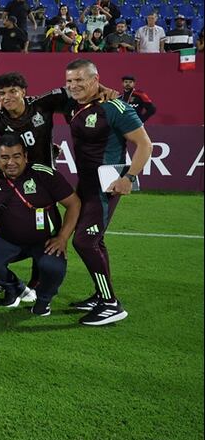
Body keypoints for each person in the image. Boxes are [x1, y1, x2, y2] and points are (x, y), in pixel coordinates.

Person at [61, 59, 151, 325]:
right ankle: (101, 296)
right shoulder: (76, 104)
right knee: (95, 241)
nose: (73, 85)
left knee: (84, 241)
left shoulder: (116, 107)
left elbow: (145, 145)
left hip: (106, 187)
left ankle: (111, 304)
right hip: (85, 184)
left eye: (79, 80)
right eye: (70, 81)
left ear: (94, 78)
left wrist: (129, 177)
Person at [0, 135, 81, 316]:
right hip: (8, 240)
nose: (11, 162)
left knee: (54, 266)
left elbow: (74, 203)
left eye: (16, 156)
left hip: (44, 242)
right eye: (5, 157)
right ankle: (15, 288)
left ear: (25, 157)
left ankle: (43, 301)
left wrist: (62, 237)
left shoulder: (44, 174)